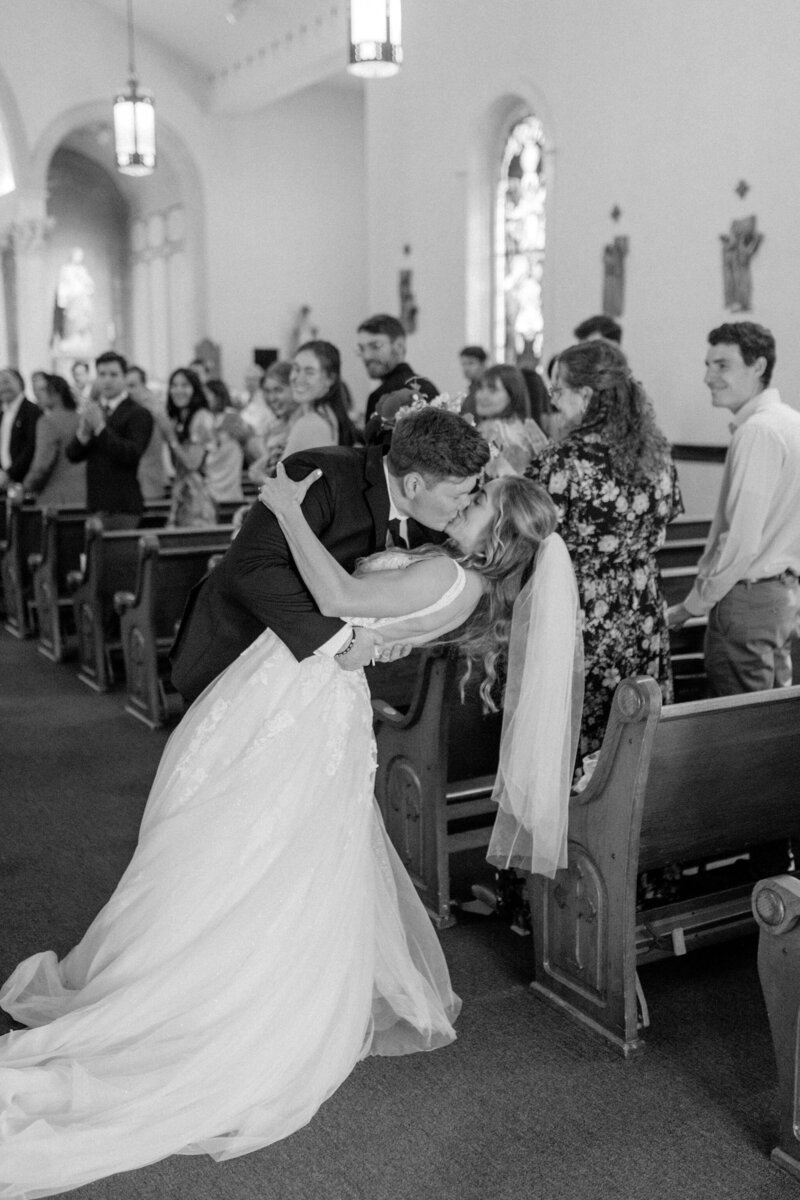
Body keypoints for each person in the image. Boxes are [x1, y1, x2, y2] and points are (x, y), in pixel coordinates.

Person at [0, 431, 581, 1197]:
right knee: (267, 850)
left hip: (299, 702)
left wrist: (285, 509)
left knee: (241, 845)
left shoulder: (448, 571)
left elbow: (340, 599)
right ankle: (209, 967)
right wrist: (364, 640)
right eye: (468, 492)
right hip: (306, 693)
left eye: (479, 502)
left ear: (497, 539)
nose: (468, 502)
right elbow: (359, 615)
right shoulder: (455, 572)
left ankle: (209, 996)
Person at [170, 405, 491, 703]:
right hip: (241, 652)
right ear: (414, 485)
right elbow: (251, 569)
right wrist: (342, 642)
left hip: (319, 681)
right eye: (459, 495)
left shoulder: (435, 520)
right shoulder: (318, 475)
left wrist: (389, 636)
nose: (464, 504)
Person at [528, 338, 683, 755]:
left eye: (558, 389)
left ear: (586, 394)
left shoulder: (562, 460)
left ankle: (578, 818)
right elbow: (665, 520)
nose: (554, 400)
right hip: (642, 611)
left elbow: (529, 535)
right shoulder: (656, 453)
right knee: (633, 736)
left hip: (583, 614)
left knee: (581, 736)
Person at [668, 322, 800, 694]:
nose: (709, 376)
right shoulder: (791, 422)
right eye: (708, 365)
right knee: (770, 722)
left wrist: (691, 606)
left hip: (747, 598)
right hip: (781, 594)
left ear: (757, 367)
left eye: (722, 365)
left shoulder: (758, 431)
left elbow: (741, 541)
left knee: (737, 729)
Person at [65, 351, 154, 529]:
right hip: (96, 502)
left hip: (123, 506)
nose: (107, 380)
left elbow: (131, 454)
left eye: (113, 374)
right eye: (102, 374)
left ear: (124, 377)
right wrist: (83, 434)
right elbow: (72, 455)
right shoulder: (95, 410)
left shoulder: (138, 413)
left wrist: (100, 428)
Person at [279, 340, 361, 461]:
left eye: (309, 372)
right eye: (296, 369)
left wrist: (258, 475)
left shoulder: (310, 424)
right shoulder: (325, 414)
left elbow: (279, 478)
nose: (299, 378)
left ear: (330, 379)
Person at [358, 314, 438, 423]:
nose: (366, 356)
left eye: (375, 346)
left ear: (399, 346)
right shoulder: (428, 386)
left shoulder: (381, 397)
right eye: (361, 348)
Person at [163, 367, 216, 527]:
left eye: (185, 385)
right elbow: (176, 463)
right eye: (174, 385)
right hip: (182, 492)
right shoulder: (181, 419)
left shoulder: (202, 417)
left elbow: (192, 463)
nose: (178, 390)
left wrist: (170, 436)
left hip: (198, 496)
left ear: (195, 389)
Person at [21, 374, 85, 506]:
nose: (36, 394)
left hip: (56, 500)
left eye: (42, 389)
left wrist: (24, 487)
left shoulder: (48, 422)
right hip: (85, 497)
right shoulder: (82, 418)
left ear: (56, 393)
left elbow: (41, 466)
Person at [474, 363, 548, 476]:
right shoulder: (492, 426)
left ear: (512, 395)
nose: (481, 396)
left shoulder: (503, 432)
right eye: (480, 388)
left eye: (492, 390)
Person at [126, 364, 169, 502]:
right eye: (125, 386)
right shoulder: (127, 410)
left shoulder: (153, 411)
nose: (128, 391)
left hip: (149, 486)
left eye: (132, 386)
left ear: (144, 387)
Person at [0, 368, 41, 492]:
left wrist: (10, 474)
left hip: (24, 481)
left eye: (7, 382)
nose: (3, 387)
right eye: (0, 383)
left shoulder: (32, 411)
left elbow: (31, 447)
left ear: (20, 383)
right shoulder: (2, 413)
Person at [458, 344, 488, 417]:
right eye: (464, 364)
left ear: (483, 364)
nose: (466, 368)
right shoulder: (472, 387)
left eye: (470, 363)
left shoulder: (488, 388)